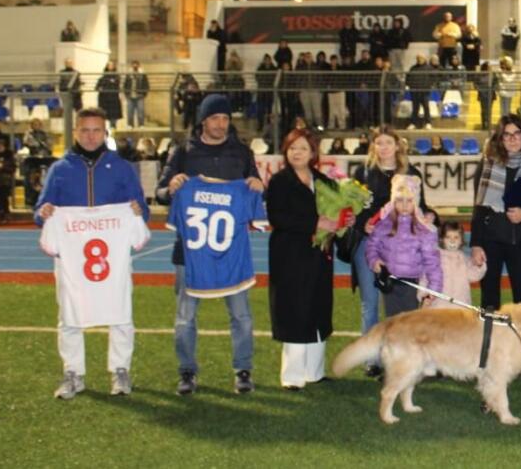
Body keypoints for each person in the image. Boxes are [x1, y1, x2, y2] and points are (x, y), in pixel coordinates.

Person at [35, 107, 149, 398]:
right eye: (85, 130)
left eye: (96, 130)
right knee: (69, 315)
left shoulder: (121, 167)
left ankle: (120, 369)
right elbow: (41, 209)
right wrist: (43, 212)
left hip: (113, 256)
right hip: (72, 257)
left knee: (121, 311)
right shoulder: (60, 169)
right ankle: (73, 372)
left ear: (105, 133)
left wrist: (138, 210)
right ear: (76, 132)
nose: (90, 136)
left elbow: (141, 209)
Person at [156, 94, 263, 395]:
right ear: (203, 120)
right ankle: (187, 370)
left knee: (241, 315)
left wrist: (258, 186)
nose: (221, 124)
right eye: (215, 118)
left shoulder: (241, 153)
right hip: (190, 252)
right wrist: (171, 188)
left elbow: (256, 188)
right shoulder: (182, 152)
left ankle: (243, 369)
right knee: (185, 317)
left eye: (226, 118)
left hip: (232, 252)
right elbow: (160, 193)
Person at [264, 128, 339, 390]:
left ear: (313, 152)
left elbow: (335, 216)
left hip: (319, 257)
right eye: (293, 147)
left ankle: (314, 372)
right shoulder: (279, 182)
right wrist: (315, 223)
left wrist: (343, 221)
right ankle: (292, 376)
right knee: (294, 310)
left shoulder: (325, 182)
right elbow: (277, 218)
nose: (297, 152)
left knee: (318, 308)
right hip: (290, 257)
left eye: (303, 148)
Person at [347, 127, 435, 344]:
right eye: (379, 143)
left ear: (397, 146)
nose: (383, 147)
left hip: (402, 248)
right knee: (370, 302)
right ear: (373, 146)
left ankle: (400, 352)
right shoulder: (363, 173)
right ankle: (372, 357)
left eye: (388, 142)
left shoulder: (411, 173)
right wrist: (363, 223)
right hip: (368, 243)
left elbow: (421, 207)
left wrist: (431, 217)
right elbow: (352, 208)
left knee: (401, 304)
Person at [471, 115, 521, 309]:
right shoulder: (487, 163)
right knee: (489, 302)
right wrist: (476, 244)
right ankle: (489, 331)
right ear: (500, 139)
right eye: (506, 135)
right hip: (490, 240)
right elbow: (479, 207)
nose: (512, 139)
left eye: (517, 133)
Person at [367, 175, 442, 316]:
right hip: (389, 283)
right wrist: (374, 261)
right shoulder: (384, 224)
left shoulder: (424, 230)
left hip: (412, 286)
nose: (405, 205)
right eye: (400, 200)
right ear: (393, 201)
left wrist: (433, 290)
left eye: (409, 200)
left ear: (416, 202)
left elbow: (432, 263)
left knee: (410, 324)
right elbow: (372, 246)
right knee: (392, 323)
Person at [432, 222, 486, 308]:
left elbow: (473, 276)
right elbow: (425, 279)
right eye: (448, 237)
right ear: (441, 239)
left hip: (461, 305)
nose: (452, 240)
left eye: (456, 237)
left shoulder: (464, 259)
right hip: (439, 306)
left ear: (461, 240)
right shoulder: (434, 259)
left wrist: (478, 265)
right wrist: (424, 296)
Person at [406, 54, 435, 130]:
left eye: (421, 58)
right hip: (415, 91)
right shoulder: (413, 68)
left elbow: (433, 79)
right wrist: (410, 86)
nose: (419, 59)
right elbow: (408, 78)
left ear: (424, 59)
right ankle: (413, 123)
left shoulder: (429, 68)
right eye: (418, 58)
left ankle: (428, 123)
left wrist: (428, 86)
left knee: (426, 107)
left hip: (425, 91)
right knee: (415, 108)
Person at [122, 60, 150, 128]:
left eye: (136, 64)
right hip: (130, 95)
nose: (135, 66)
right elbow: (125, 84)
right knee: (130, 111)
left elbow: (146, 84)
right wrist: (126, 93)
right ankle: (130, 124)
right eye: (133, 64)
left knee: (141, 111)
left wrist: (144, 93)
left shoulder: (142, 74)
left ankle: (141, 124)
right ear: (131, 65)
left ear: (138, 65)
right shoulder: (128, 74)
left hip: (140, 95)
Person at [97, 61, 123, 130]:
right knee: (103, 115)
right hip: (104, 99)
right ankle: (103, 129)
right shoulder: (102, 78)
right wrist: (101, 88)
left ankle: (113, 129)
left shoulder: (117, 77)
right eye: (109, 65)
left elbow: (118, 87)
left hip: (113, 99)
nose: (110, 67)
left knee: (113, 116)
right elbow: (97, 87)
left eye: (112, 65)